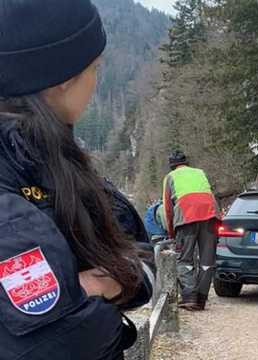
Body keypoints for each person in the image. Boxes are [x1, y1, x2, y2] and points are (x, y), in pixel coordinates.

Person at [0, 1, 154, 358]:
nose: (96, 82)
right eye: (95, 69)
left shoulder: (61, 162)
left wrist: (87, 288)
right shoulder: (18, 176)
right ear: (64, 81)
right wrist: (102, 295)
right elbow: (62, 340)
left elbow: (144, 261)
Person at [163, 150, 219, 311]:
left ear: (171, 165)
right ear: (186, 163)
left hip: (187, 216)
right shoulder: (200, 172)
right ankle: (201, 298)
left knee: (184, 259)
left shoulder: (170, 177)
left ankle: (189, 297)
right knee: (207, 261)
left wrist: (171, 233)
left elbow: (168, 208)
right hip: (211, 215)